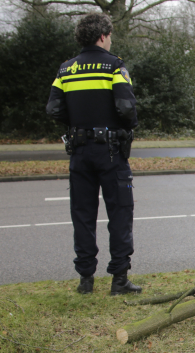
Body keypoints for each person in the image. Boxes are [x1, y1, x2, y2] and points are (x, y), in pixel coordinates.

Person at [46, 13, 142, 295]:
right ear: (102, 36)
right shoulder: (114, 66)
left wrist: (77, 125)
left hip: (79, 151)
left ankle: (85, 280)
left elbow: (53, 109)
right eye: (109, 36)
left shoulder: (66, 69)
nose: (110, 40)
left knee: (83, 215)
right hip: (111, 151)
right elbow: (126, 107)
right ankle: (119, 280)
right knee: (120, 213)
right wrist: (127, 127)